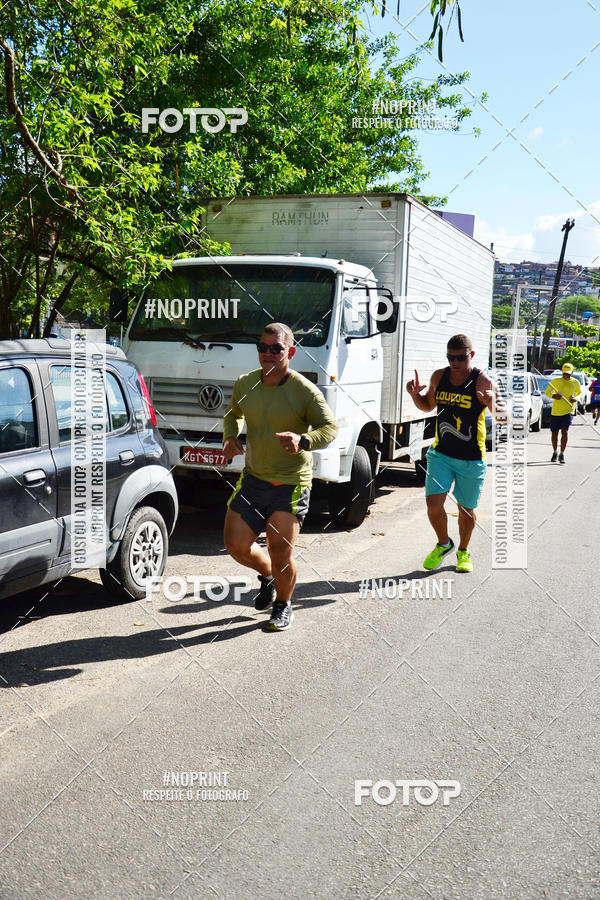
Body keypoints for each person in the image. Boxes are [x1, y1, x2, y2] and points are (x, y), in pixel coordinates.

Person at [222, 323, 337, 631]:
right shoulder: (246, 383)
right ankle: (269, 576)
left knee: (281, 550)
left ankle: (283, 604)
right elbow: (233, 414)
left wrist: (304, 440)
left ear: (291, 352)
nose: (267, 354)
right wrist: (231, 435)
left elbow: (330, 429)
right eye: (262, 347)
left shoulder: (304, 391)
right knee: (235, 545)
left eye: (276, 349)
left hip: (291, 483)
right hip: (254, 479)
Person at [406, 334, 505, 574]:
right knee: (433, 505)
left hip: (472, 458)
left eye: (460, 358)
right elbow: (428, 406)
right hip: (441, 454)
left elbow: (505, 419)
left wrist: (493, 404)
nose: (455, 362)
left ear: (471, 355)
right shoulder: (439, 377)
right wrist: (414, 394)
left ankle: (463, 551)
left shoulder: (483, 381)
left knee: (466, 510)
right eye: (450, 357)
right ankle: (443, 544)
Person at [544, 362, 581, 463]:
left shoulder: (575, 382)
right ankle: (555, 452)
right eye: (564, 373)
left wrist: (575, 398)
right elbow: (547, 392)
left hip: (568, 410)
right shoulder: (555, 381)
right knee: (554, 433)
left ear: (572, 372)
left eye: (568, 373)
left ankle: (562, 453)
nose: (566, 375)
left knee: (564, 431)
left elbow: (579, 393)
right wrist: (554, 396)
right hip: (556, 411)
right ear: (562, 372)